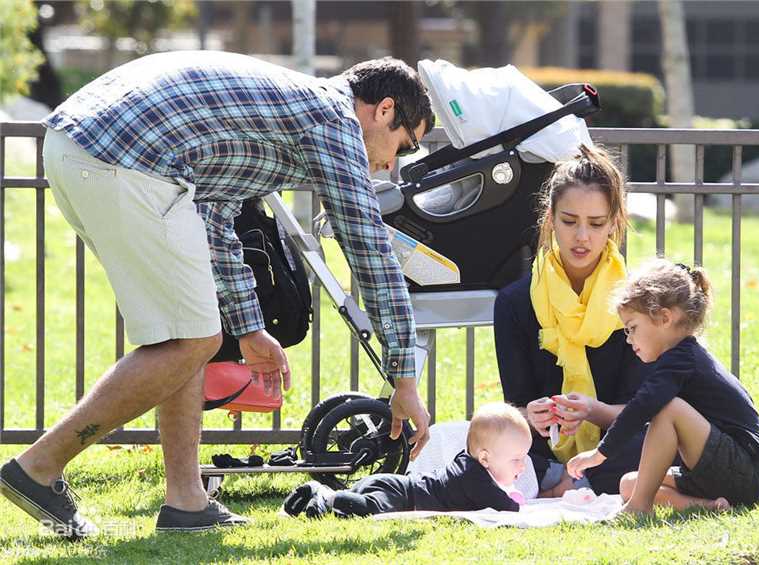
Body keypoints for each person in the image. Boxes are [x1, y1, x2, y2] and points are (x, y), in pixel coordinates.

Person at [0, 51, 434, 538]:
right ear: (384, 110)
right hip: (126, 159)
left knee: (188, 335)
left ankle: (186, 502)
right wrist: (405, 378)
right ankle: (38, 467)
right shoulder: (332, 118)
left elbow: (213, 217)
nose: (391, 162)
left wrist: (248, 328)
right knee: (191, 339)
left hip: (81, 145)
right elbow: (368, 247)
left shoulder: (288, 111)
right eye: (405, 143)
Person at [566, 260, 759, 514]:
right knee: (629, 483)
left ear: (664, 317)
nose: (629, 339)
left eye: (632, 328)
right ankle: (711, 506)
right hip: (728, 471)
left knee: (667, 407)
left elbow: (643, 406)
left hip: (748, 470)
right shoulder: (681, 358)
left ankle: (638, 507)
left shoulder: (683, 358)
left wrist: (600, 453)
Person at [493, 145, 646, 498]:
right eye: (569, 221)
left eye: (596, 224)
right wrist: (529, 416)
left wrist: (592, 412)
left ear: (614, 223)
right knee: (485, 440)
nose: (582, 237)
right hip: (539, 454)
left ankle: (572, 483)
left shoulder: (636, 301)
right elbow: (515, 404)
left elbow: (642, 409)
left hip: (617, 448)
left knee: (655, 437)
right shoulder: (515, 302)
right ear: (549, 219)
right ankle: (569, 482)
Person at [283, 402, 532, 518]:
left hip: (393, 485)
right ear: (485, 457)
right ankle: (328, 496)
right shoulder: (474, 477)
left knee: (351, 509)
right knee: (370, 509)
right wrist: (515, 504)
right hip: (403, 494)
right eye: (516, 459)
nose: (522, 466)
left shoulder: (469, 463)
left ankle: (317, 495)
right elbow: (506, 507)